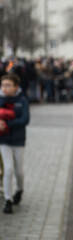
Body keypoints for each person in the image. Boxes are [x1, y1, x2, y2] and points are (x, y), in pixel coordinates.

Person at [0, 73, 30, 214]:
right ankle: (8, 200)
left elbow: (24, 119)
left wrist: (6, 124)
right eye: (3, 85)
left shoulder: (22, 100)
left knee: (19, 171)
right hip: (3, 140)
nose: (4, 88)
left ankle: (19, 190)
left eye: (8, 85)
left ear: (16, 87)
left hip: (18, 140)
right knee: (8, 169)